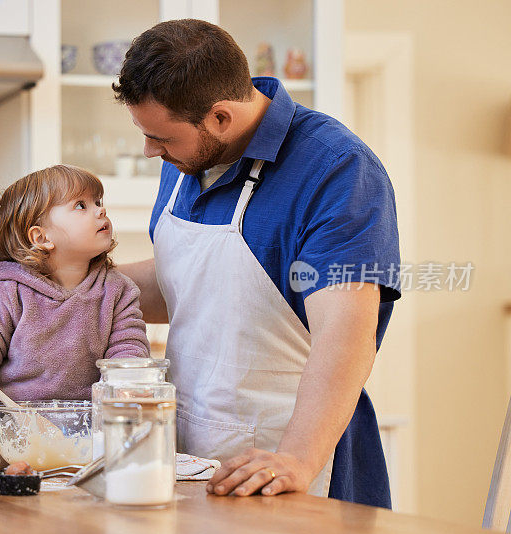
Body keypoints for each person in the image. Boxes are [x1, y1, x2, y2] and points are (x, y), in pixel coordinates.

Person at [114, 19, 401, 508]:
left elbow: (346, 332)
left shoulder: (337, 169)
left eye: (162, 138)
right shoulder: (187, 163)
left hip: (286, 464)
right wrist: (57, 288)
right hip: (189, 451)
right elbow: (183, 286)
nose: (150, 150)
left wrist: (296, 459)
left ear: (221, 118)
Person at [0, 164, 150, 408]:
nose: (100, 210)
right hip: (14, 419)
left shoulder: (118, 290)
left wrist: (127, 380)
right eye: (81, 206)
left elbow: (128, 344)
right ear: (41, 238)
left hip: (86, 420)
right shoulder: (10, 288)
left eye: (97, 201)